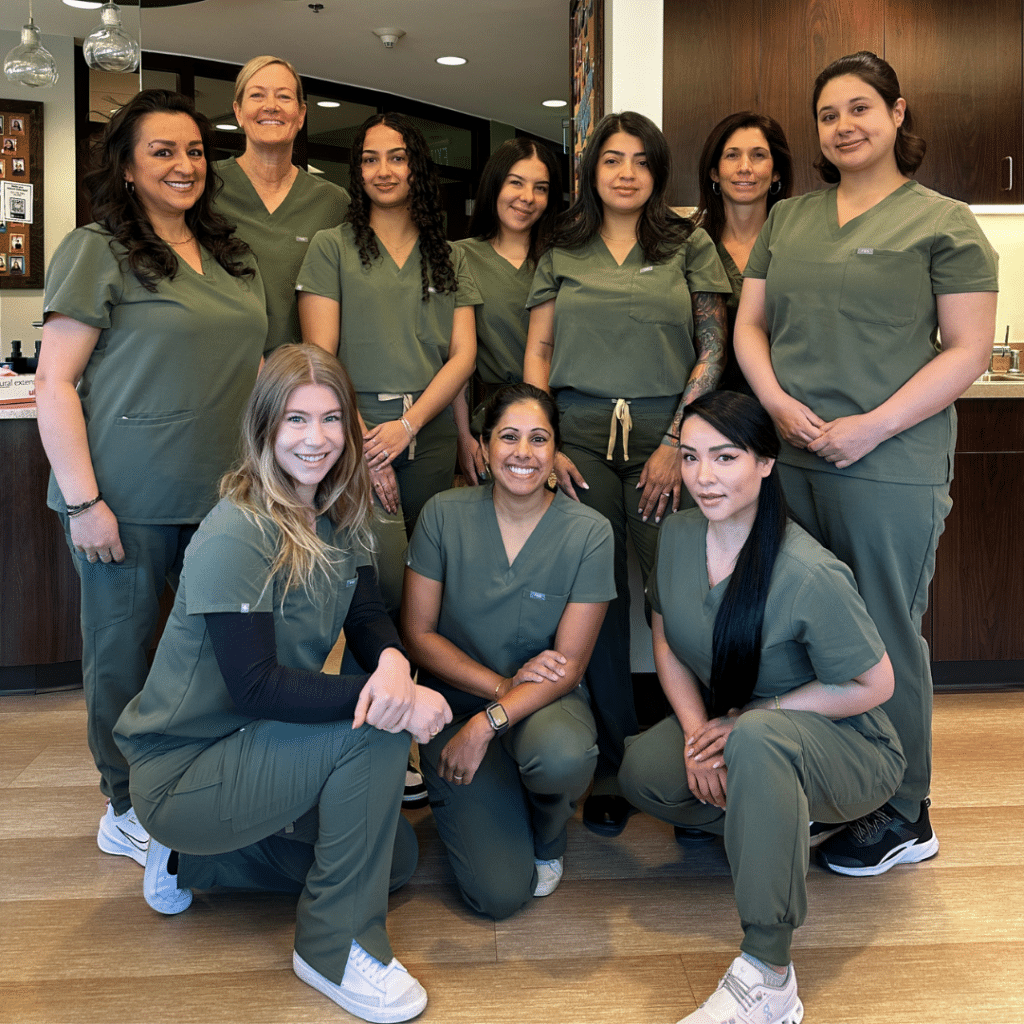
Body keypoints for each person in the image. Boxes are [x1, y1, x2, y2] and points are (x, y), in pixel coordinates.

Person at [113, 345, 452, 1024]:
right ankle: (334, 947)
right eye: (297, 420)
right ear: (265, 426)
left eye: (331, 419)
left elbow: (364, 614)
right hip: (186, 767)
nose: (317, 439)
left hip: (255, 747)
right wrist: (397, 699)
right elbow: (256, 687)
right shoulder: (238, 531)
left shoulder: (337, 509)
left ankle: (191, 863)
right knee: (379, 736)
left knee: (395, 861)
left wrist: (390, 663)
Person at [734, 50, 998, 875]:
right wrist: (777, 406)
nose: (844, 126)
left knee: (886, 631)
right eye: (828, 115)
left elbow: (970, 350)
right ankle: (840, 787)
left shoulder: (944, 222)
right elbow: (751, 326)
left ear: (896, 114)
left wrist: (873, 427)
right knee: (806, 631)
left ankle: (905, 807)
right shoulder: (789, 220)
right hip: (797, 458)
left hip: (889, 463)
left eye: (860, 108)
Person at [35, 89, 269, 869]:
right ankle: (124, 803)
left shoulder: (232, 255)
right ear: (128, 167)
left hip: (224, 497)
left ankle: (193, 780)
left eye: (195, 150)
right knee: (123, 655)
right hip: (125, 500)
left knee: (211, 651)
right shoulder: (97, 248)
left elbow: (252, 367)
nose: (183, 165)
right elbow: (54, 383)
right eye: (162, 151)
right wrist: (84, 501)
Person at [619, 391, 906, 1024]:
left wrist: (751, 722)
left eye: (725, 457)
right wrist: (698, 734)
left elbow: (875, 683)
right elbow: (664, 639)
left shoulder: (808, 571)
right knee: (644, 770)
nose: (703, 476)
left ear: (766, 463)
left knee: (757, 742)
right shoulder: (678, 534)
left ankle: (769, 974)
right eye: (691, 457)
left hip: (849, 748)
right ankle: (778, 819)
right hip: (739, 729)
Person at [523, 110, 731, 837]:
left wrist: (680, 438)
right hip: (576, 436)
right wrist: (542, 440)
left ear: (657, 172)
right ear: (593, 170)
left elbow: (711, 350)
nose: (627, 173)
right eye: (613, 159)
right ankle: (613, 763)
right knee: (597, 599)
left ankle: (695, 754)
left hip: (665, 436)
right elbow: (540, 351)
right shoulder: (563, 247)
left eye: (641, 161)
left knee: (677, 592)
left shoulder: (687, 245)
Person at [403, 384, 614, 917]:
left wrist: (489, 721)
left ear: (555, 451)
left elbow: (568, 667)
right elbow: (419, 634)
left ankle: (548, 829)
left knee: (561, 757)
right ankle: (498, 799)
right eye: (509, 437)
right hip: (454, 704)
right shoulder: (442, 515)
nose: (523, 452)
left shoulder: (589, 532)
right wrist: (498, 691)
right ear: (483, 444)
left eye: (539, 439)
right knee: (499, 895)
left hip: (544, 703)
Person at [297, 111, 479, 614]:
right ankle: (375, 691)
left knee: (428, 580)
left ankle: (422, 692)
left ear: (416, 168)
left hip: (432, 432)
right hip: (358, 428)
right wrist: (368, 444)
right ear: (356, 171)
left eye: (396, 158)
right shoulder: (332, 247)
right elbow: (321, 356)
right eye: (370, 159)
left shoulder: (448, 255)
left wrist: (410, 424)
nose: (384, 170)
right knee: (378, 582)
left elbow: (462, 356)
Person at [214, 55, 350, 351]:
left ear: (301, 114)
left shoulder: (333, 203)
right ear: (238, 111)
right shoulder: (206, 188)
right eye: (257, 95)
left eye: (284, 97)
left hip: (300, 379)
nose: (271, 106)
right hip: (220, 371)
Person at [451, 138, 563, 483]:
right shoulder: (459, 257)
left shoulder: (565, 259)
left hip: (562, 417)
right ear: (494, 185)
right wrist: (463, 435)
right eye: (515, 182)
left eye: (540, 188)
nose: (527, 197)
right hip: (489, 422)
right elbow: (453, 357)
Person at [692, 112, 793, 392]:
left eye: (758, 155)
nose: (745, 167)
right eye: (732, 156)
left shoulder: (798, 246)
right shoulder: (690, 247)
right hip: (705, 409)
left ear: (776, 172)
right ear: (714, 171)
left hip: (786, 404)